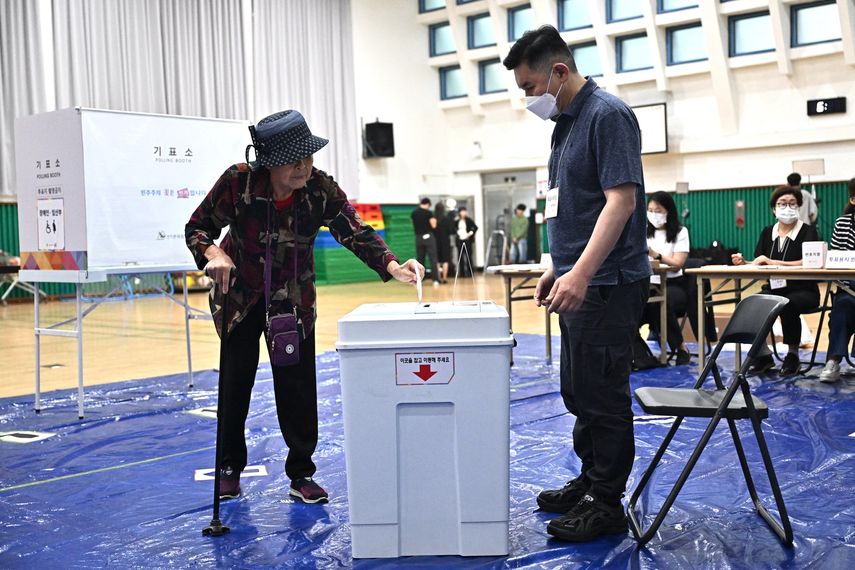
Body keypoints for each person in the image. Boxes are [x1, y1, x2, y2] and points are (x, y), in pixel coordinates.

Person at [185, 110, 423, 504]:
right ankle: (228, 467)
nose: (304, 166)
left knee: (297, 388)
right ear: (270, 160)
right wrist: (214, 253)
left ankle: (302, 472)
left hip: (293, 302)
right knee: (235, 384)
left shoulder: (318, 188)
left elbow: (354, 229)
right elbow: (196, 227)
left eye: (308, 156)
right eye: (294, 159)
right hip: (239, 298)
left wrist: (392, 265)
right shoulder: (237, 182)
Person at [504, 25, 651, 542]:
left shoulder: (606, 115)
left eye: (529, 87)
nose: (528, 98)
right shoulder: (564, 124)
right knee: (579, 390)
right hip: (578, 279)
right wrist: (556, 264)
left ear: (558, 72)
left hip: (607, 284)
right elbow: (569, 204)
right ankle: (591, 481)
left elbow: (621, 202)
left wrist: (582, 272)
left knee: (603, 396)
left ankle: (606, 501)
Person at [731, 185, 819, 376]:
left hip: (804, 290)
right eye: (782, 203)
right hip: (774, 288)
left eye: (792, 203)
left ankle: (792, 356)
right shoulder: (767, 232)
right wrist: (743, 262)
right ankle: (763, 356)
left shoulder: (808, 231)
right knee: (752, 304)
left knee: (786, 303)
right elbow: (760, 263)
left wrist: (773, 262)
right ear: (774, 209)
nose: (787, 207)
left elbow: (810, 262)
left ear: (798, 207)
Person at [640, 191, 692, 365]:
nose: (653, 214)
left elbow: (677, 263)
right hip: (648, 282)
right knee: (627, 306)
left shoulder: (680, 232)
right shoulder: (643, 231)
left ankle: (680, 347)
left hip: (674, 283)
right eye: (650, 210)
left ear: (668, 211)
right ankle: (641, 354)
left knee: (660, 302)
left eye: (658, 210)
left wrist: (656, 255)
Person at [819, 177, 855, 382]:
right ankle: (833, 361)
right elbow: (835, 258)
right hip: (849, 286)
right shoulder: (842, 224)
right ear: (852, 199)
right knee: (842, 307)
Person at [411, 198, 441, 286]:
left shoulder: (414, 213)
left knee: (420, 260)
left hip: (418, 238)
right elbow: (434, 225)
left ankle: (418, 280)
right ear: (428, 204)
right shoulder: (429, 213)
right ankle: (435, 280)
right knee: (433, 259)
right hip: (428, 237)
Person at [455, 206, 477, 277]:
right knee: (460, 256)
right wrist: (457, 233)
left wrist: (469, 234)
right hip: (460, 240)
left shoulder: (468, 220)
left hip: (467, 240)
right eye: (462, 211)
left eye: (465, 211)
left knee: (468, 256)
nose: (463, 213)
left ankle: (470, 273)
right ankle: (462, 273)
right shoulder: (457, 220)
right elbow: (453, 228)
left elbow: (475, 227)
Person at [434, 201, 453, 283]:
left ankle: (438, 278)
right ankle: (444, 278)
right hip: (445, 241)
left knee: (437, 261)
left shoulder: (433, 219)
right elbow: (451, 231)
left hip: (435, 241)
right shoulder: (446, 219)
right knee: (445, 260)